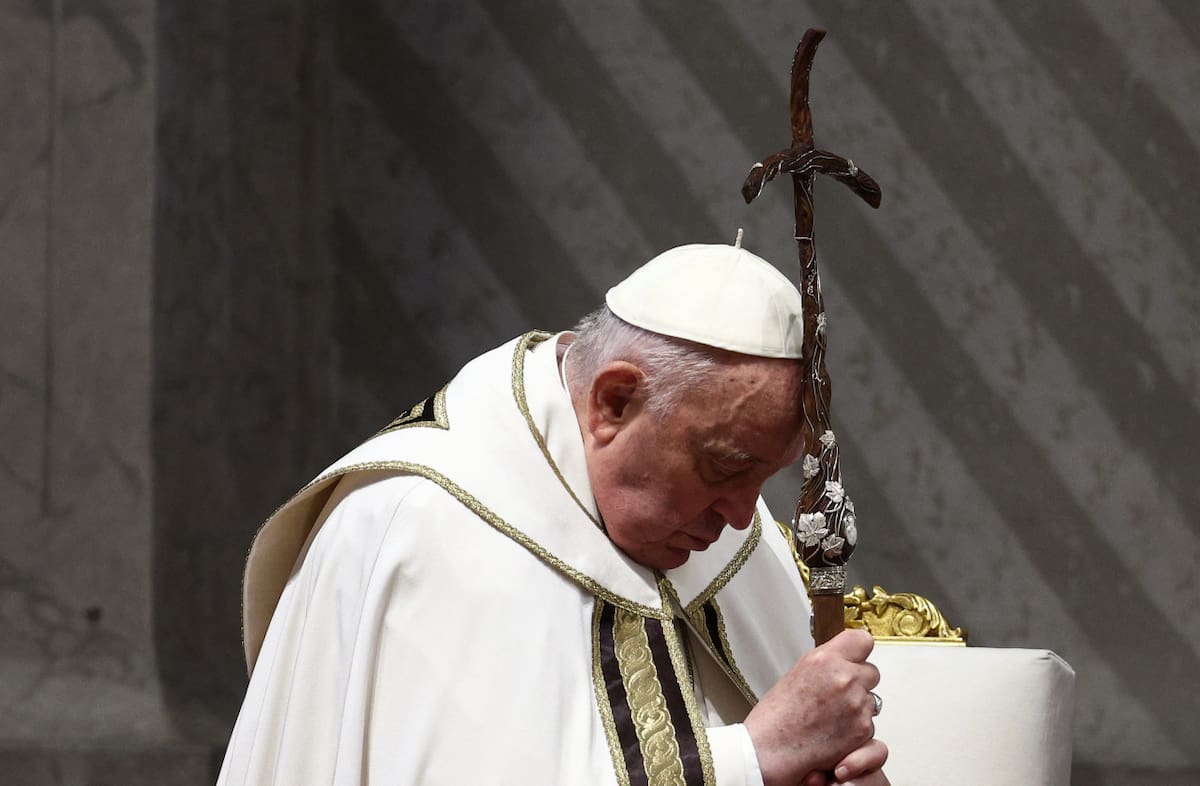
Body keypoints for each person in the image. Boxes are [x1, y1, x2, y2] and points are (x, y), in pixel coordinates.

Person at [218, 240, 888, 786]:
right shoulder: (425, 527)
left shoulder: (727, 540)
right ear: (614, 403)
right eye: (724, 469)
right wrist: (750, 761)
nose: (744, 519)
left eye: (762, 479)